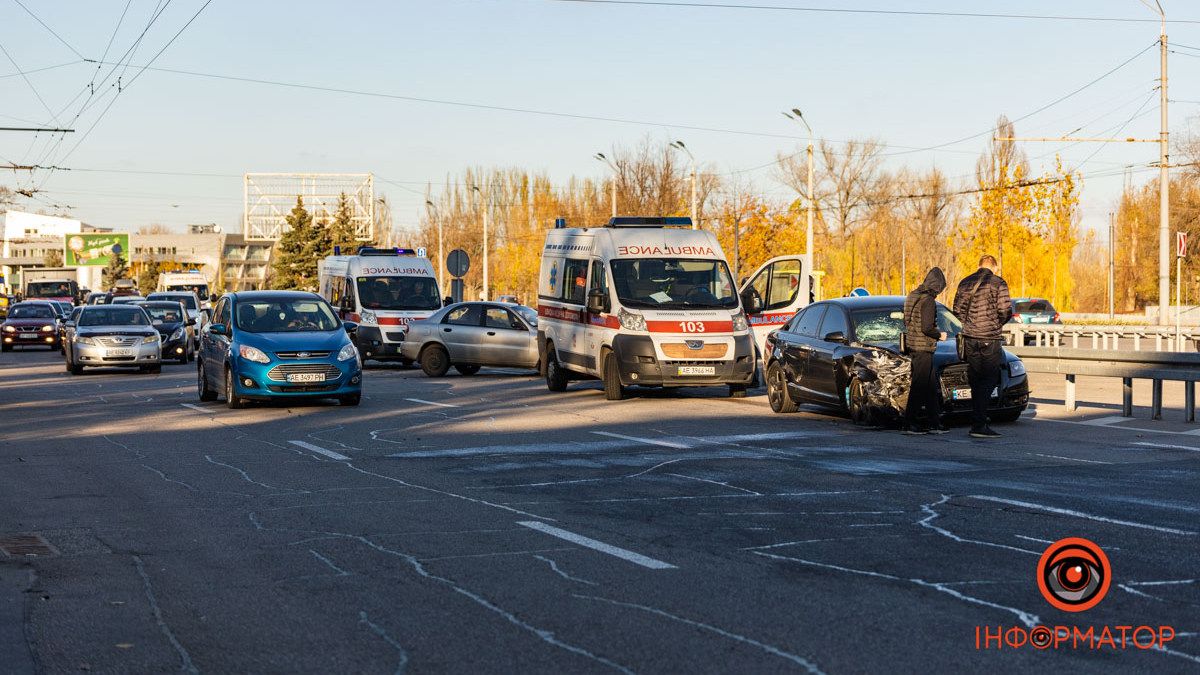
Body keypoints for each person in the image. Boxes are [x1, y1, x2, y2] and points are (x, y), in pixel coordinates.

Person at [953, 254, 1013, 439]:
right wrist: (995, 324)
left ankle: (977, 421)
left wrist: (970, 324)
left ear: (979, 265)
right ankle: (980, 423)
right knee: (988, 380)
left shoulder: (965, 282)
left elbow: (957, 310)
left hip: (970, 338)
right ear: (994, 267)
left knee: (975, 380)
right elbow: (1005, 310)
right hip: (989, 338)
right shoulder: (998, 283)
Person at [902, 267, 948, 435]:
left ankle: (934, 422)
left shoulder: (912, 295)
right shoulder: (928, 300)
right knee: (919, 385)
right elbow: (927, 327)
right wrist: (939, 335)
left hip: (913, 345)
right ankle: (910, 423)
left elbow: (907, 321)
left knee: (930, 386)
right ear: (937, 285)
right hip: (923, 347)